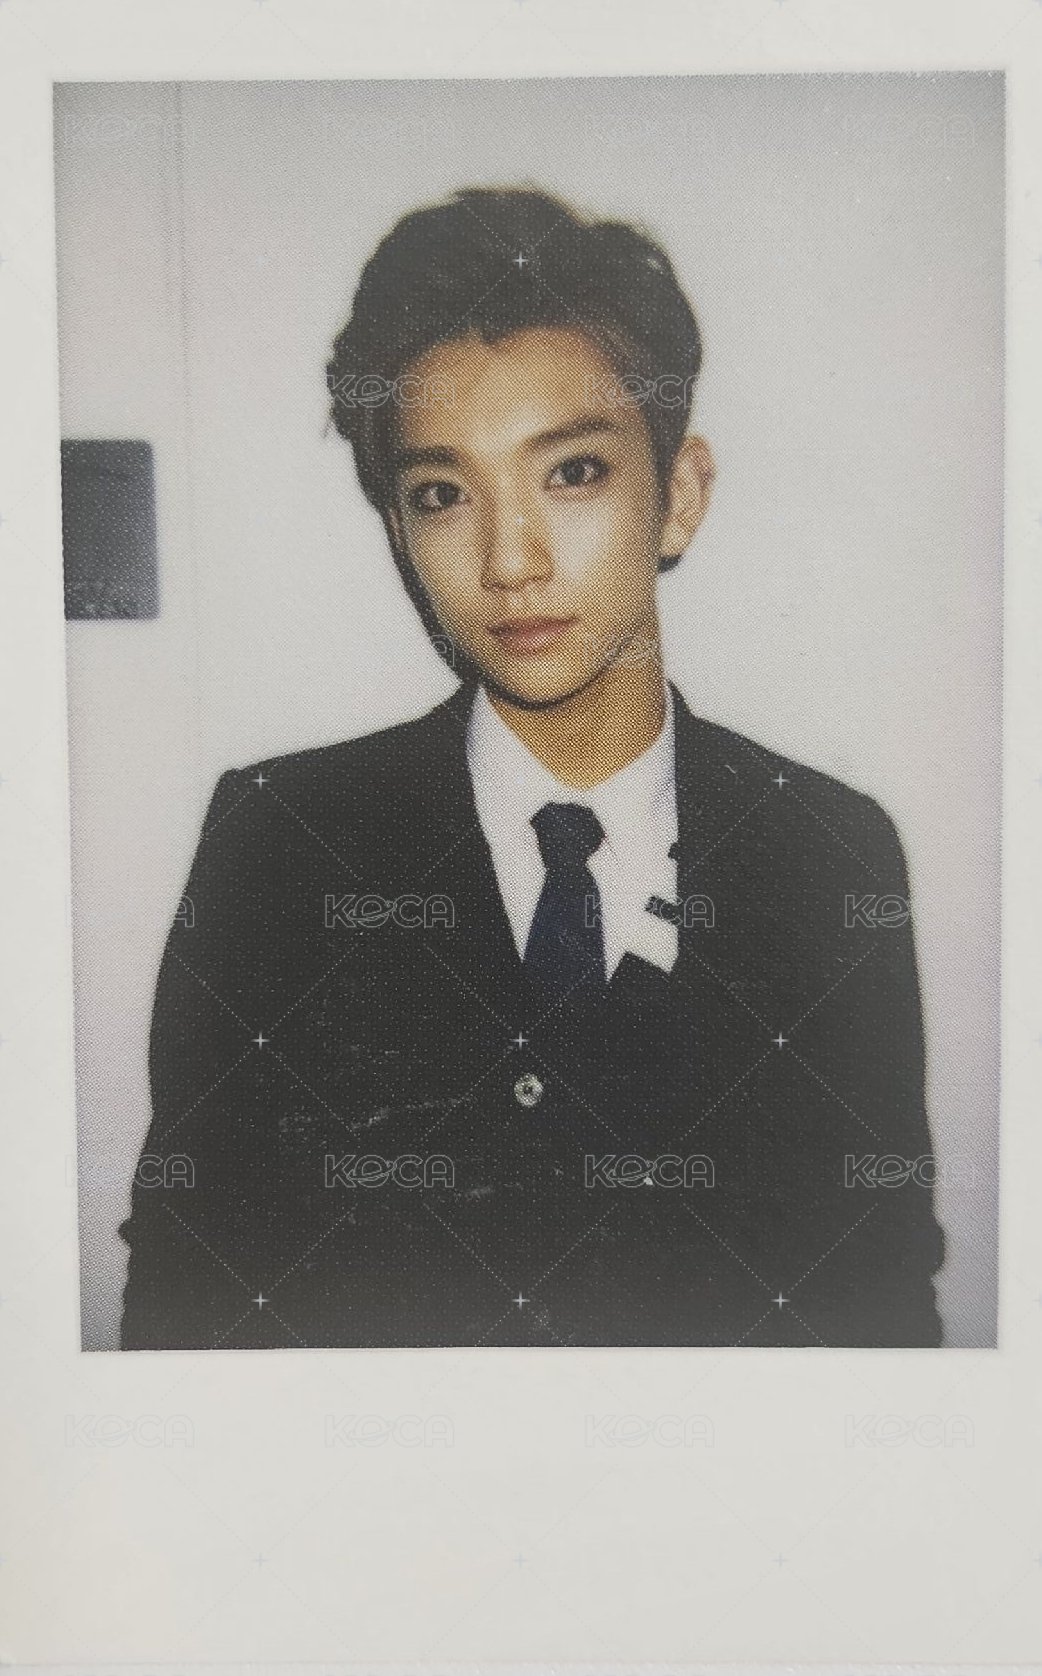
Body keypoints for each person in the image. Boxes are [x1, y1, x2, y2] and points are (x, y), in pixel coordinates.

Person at [119, 186, 946, 1350]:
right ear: (400, 534)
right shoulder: (280, 841)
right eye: (443, 494)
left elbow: (879, 1294)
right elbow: (189, 1290)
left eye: (572, 473)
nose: (510, 559)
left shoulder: (827, 852)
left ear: (679, 495)